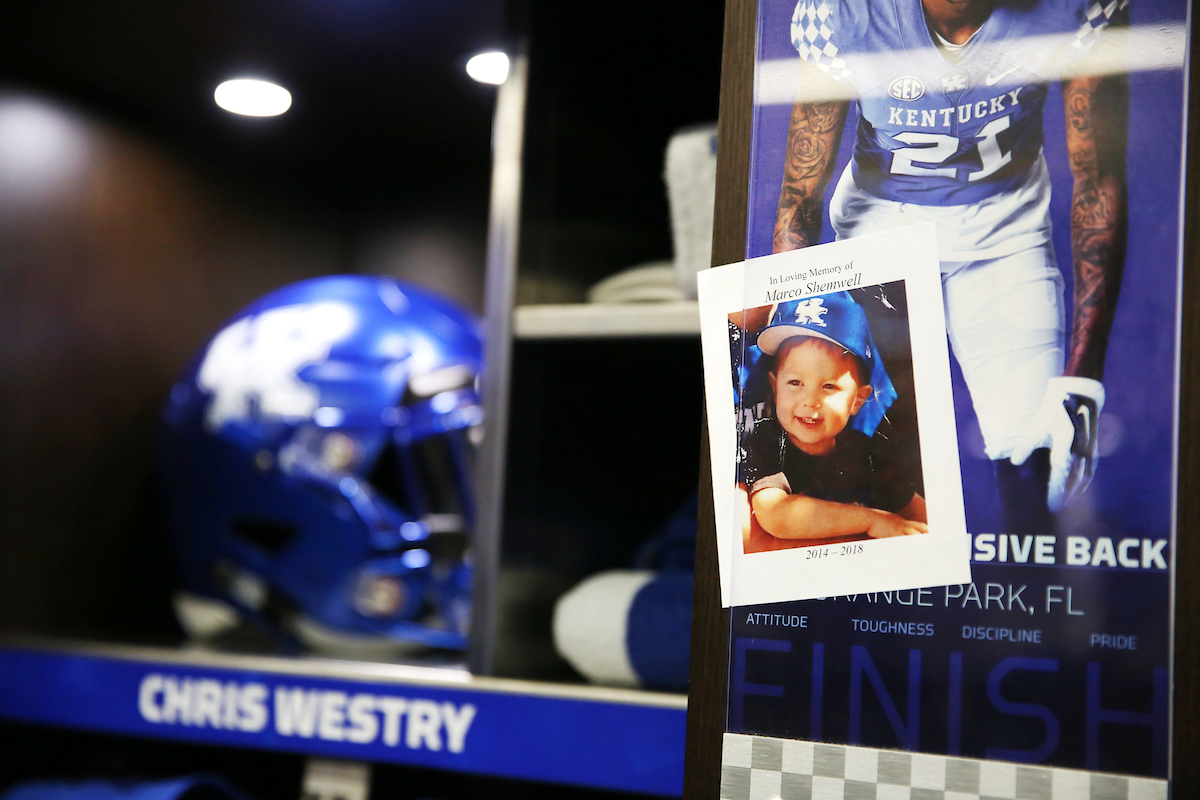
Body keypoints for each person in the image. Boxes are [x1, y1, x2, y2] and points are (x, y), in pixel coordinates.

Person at [773, 0, 1128, 532]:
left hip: (1005, 233)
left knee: (1038, 461)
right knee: (873, 449)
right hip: (881, 231)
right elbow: (799, 194)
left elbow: (1098, 182)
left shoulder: (1076, 7)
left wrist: (1084, 380)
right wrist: (792, 325)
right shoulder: (843, 13)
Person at [740, 293, 927, 551]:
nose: (810, 400)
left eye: (829, 386)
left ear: (858, 400)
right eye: (795, 382)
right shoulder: (766, 443)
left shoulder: (866, 452)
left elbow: (919, 516)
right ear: (775, 386)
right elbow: (775, 514)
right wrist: (872, 521)